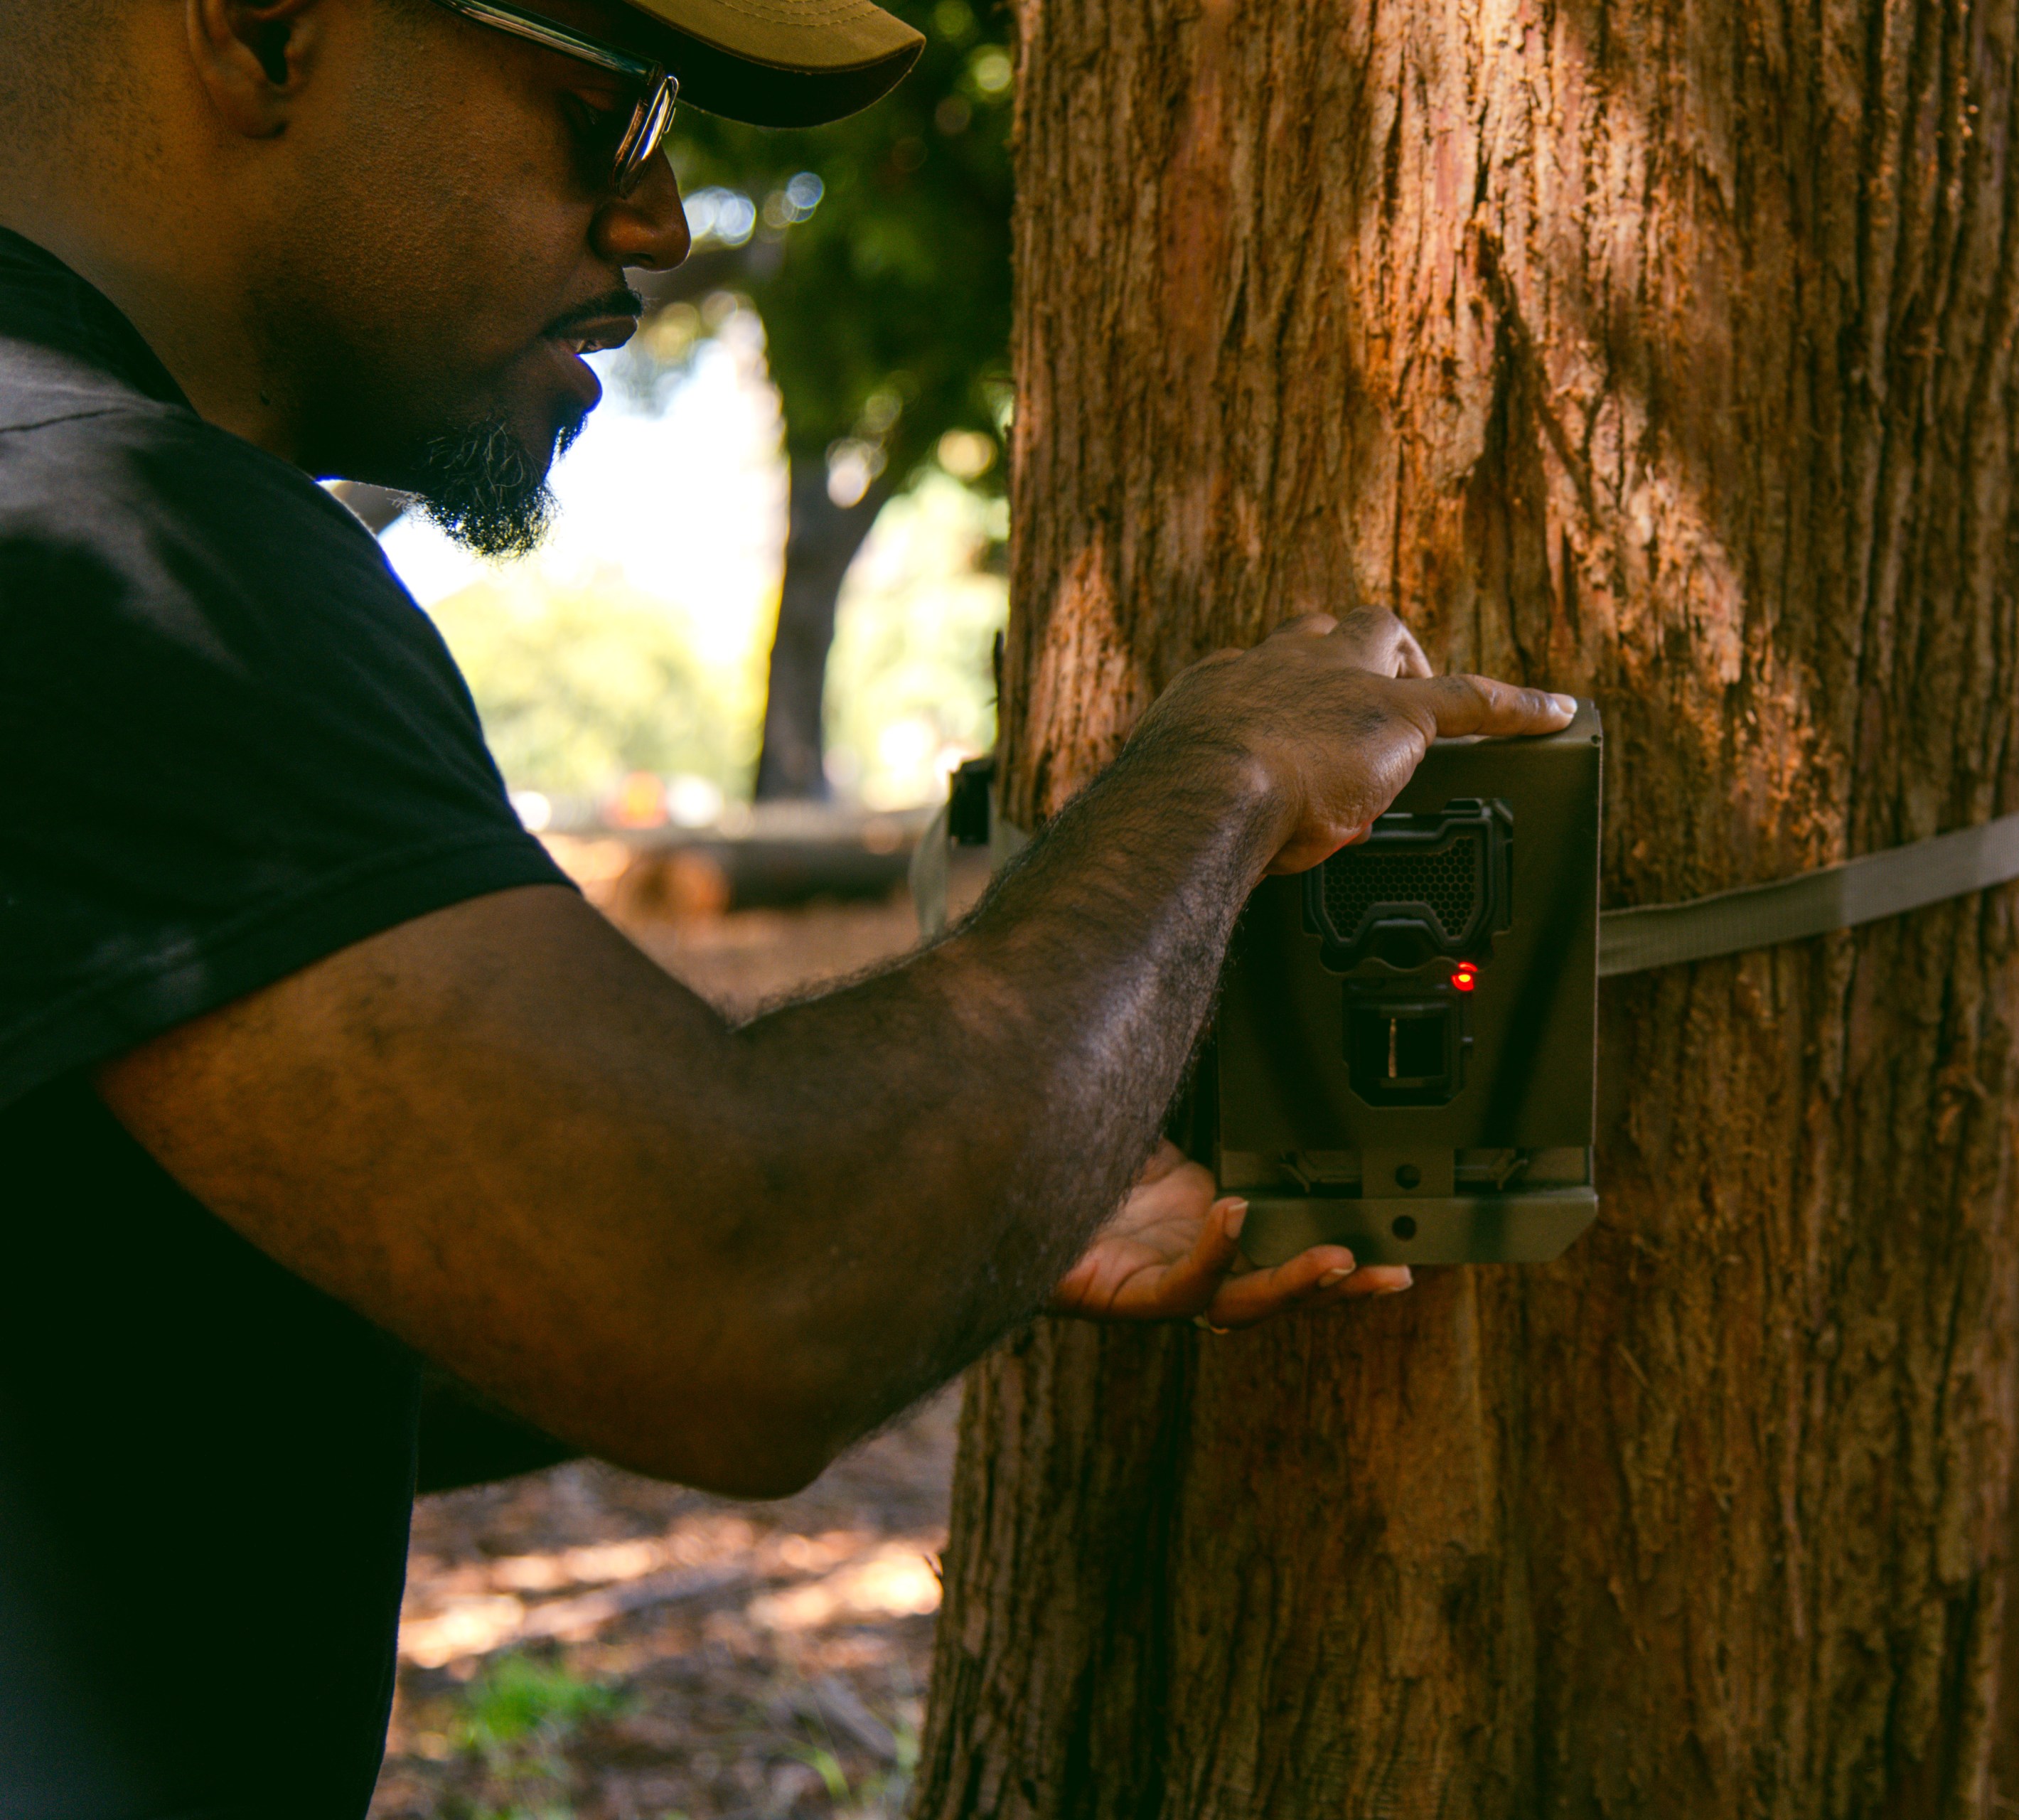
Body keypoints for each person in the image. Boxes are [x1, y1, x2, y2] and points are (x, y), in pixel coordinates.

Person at [0, 0, 1578, 1811]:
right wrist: (1222, 769)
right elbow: (730, 1297)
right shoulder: (109, 538)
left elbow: (166, 1340)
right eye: (613, 109)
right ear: (272, 31)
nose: (660, 218)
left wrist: (951, 1190)